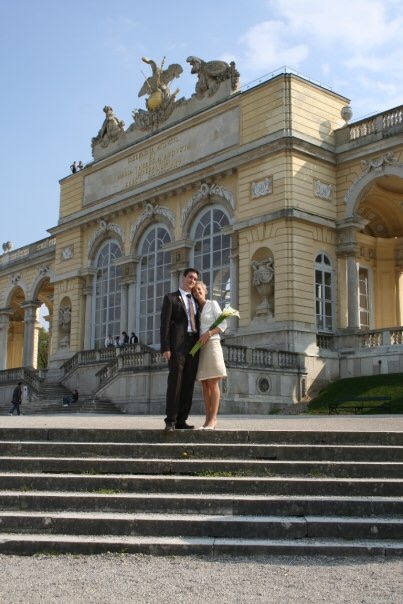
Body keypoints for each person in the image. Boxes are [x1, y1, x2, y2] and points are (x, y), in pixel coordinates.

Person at [160, 267, 200, 432]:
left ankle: (182, 420)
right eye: (190, 277)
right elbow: (164, 325)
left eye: (195, 279)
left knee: (188, 383)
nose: (192, 281)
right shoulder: (171, 298)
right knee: (175, 383)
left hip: (194, 345)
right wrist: (165, 347)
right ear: (183, 278)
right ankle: (170, 420)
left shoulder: (196, 300)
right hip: (177, 346)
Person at [192, 282, 227, 430]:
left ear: (205, 290)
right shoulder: (195, 309)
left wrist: (209, 333)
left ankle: (213, 419)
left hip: (212, 344)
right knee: (204, 385)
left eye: (199, 289)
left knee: (213, 383)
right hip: (201, 348)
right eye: (194, 291)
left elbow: (223, 324)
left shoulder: (213, 304)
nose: (197, 292)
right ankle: (207, 420)